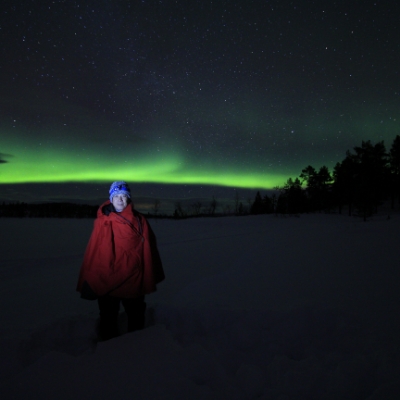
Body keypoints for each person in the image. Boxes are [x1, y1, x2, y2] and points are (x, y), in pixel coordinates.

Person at [76, 181, 165, 340]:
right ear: (111, 198)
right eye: (116, 196)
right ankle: (108, 349)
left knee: (136, 317)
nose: (120, 199)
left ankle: (135, 346)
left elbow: (148, 248)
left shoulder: (139, 220)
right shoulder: (103, 220)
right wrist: (91, 277)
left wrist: (148, 273)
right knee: (108, 319)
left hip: (133, 279)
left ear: (128, 198)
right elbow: (94, 251)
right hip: (107, 279)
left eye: (124, 196)